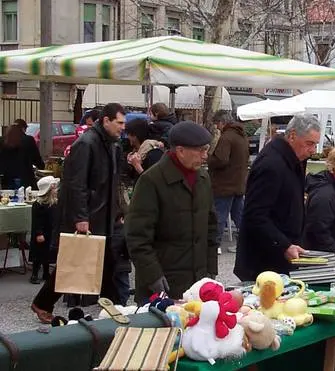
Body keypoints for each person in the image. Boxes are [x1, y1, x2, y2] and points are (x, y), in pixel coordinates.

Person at [31, 103, 125, 324]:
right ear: (106, 121)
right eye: (119, 122)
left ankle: (112, 305)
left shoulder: (110, 144)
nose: (123, 127)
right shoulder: (87, 143)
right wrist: (81, 217)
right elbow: (76, 184)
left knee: (106, 262)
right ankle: (43, 302)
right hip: (90, 215)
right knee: (74, 264)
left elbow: (112, 182)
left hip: (102, 214)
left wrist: (117, 210)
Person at [127, 121, 218, 303]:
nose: (205, 156)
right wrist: (153, 276)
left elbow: (211, 226)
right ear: (180, 150)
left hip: (198, 284)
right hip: (163, 283)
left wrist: (211, 270)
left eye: (206, 150)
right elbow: (137, 237)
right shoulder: (151, 181)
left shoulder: (203, 178)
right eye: (200, 150)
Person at [233, 114, 320, 281]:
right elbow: (255, 215)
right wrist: (284, 245)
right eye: (309, 143)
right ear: (292, 136)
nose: (312, 150)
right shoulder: (272, 164)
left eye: (315, 145)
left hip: (282, 257)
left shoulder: (293, 160)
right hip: (264, 262)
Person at [207, 110, 249, 254]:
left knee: (219, 215)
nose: (217, 128)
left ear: (222, 122)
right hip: (238, 183)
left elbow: (221, 160)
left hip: (225, 184)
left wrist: (209, 158)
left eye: (217, 124)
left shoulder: (226, 137)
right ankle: (247, 242)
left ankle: (215, 245)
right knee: (240, 216)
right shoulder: (242, 136)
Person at [28, 176, 59, 285]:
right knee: (38, 254)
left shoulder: (54, 204)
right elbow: (37, 221)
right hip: (41, 234)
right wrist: (39, 233)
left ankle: (46, 273)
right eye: (54, 189)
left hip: (50, 232)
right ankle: (34, 274)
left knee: (47, 254)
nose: (56, 190)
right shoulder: (38, 205)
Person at [0, 123, 44, 189]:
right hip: (26, 183)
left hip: (6, 182)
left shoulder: (1, 142)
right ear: (22, 131)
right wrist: (41, 166)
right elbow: (38, 162)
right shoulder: (28, 140)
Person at [112, 212, 131, 306]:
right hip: (123, 263)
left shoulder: (112, 231)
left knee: (116, 284)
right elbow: (127, 248)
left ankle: (116, 303)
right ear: (122, 219)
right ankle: (123, 304)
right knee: (124, 286)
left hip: (113, 263)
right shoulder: (124, 231)